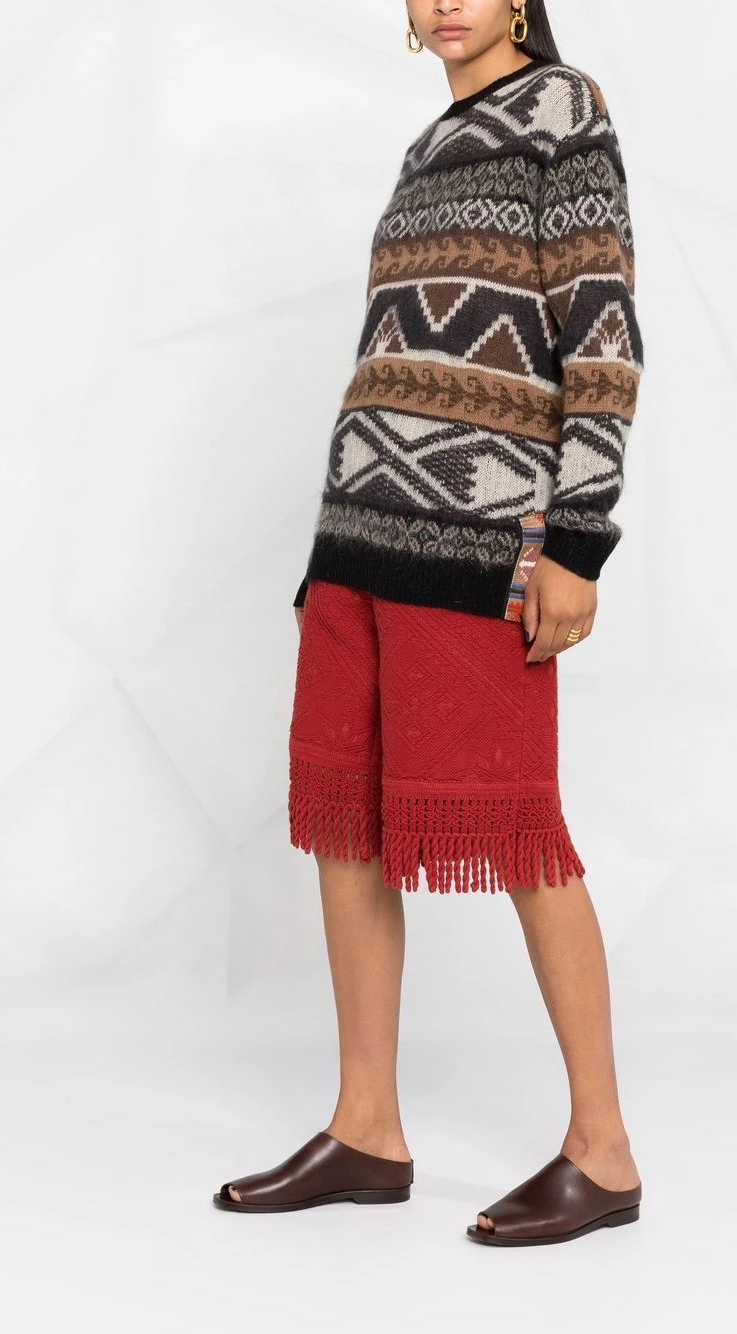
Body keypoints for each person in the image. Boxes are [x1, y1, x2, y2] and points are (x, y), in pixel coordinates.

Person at [212, 0, 645, 1246]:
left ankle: (603, 1148)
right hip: (359, 535)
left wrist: (576, 541)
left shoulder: (563, 112)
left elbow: (602, 340)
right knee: (342, 818)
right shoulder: (428, 144)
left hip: (478, 543)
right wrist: (332, 542)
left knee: (517, 828)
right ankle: (366, 1126)